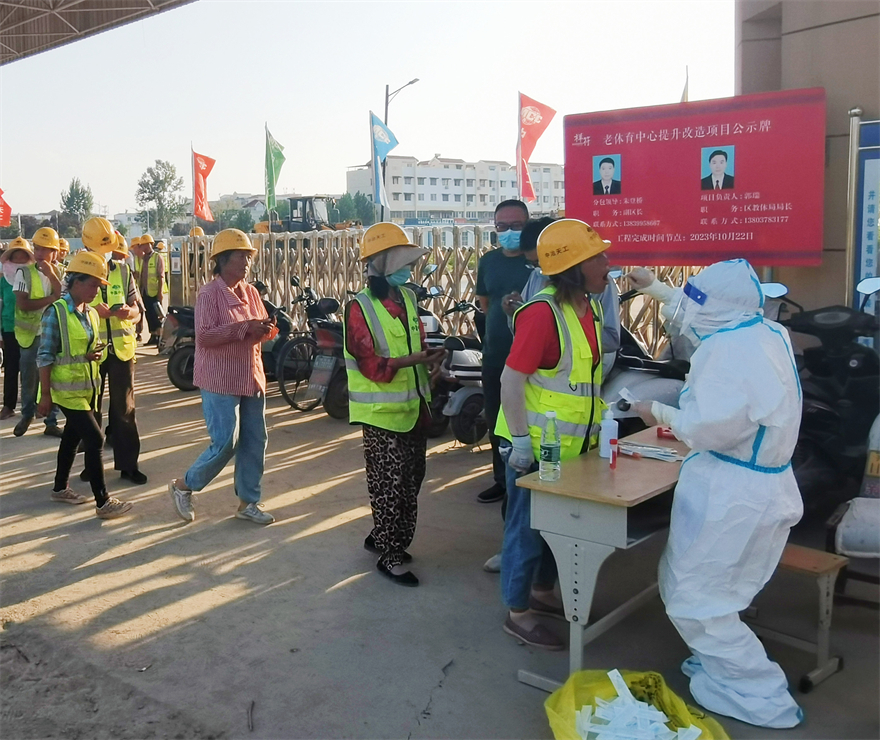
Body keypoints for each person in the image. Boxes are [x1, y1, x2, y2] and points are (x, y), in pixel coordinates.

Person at [628, 259, 803, 728]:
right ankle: (722, 667)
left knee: (696, 597)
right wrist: (656, 289)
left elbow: (706, 428)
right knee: (719, 593)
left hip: (731, 493)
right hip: (764, 484)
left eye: (698, 298)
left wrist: (656, 411)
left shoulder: (725, 351)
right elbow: (705, 312)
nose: (690, 307)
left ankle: (759, 693)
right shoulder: (766, 332)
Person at [496, 219, 612, 649]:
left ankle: (542, 593)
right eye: (597, 256)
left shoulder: (590, 308)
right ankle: (517, 611)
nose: (607, 262)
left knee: (555, 530)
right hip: (534, 447)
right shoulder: (541, 313)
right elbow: (512, 380)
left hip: (570, 446)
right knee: (525, 530)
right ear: (573, 266)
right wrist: (522, 443)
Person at [345, 223, 445, 586]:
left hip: (415, 407)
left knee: (412, 479)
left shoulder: (407, 298)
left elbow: (412, 344)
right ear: (380, 263)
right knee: (391, 486)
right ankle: (390, 554)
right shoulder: (359, 307)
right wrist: (416, 360)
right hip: (382, 415)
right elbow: (370, 365)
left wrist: (432, 362)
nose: (408, 270)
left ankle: (384, 535)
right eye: (401, 262)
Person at [169, 228, 276, 525]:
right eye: (241, 256)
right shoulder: (209, 294)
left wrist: (266, 329)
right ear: (223, 259)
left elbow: (259, 327)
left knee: (255, 441)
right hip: (220, 379)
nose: (246, 262)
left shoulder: (251, 292)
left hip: (251, 377)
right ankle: (184, 485)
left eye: (248, 257)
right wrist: (244, 329)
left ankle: (248, 502)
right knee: (226, 441)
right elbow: (204, 336)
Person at [37, 250, 132, 519]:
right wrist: (45, 396)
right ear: (76, 282)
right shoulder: (55, 313)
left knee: (72, 437)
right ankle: (103, 502)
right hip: (65, 392)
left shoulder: (90, 314)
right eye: (92, 285)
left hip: (87, 389)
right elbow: (44, 357)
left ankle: (59, 488)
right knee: (95, 438)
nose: (95, 291)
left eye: (99, 286)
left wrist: (91, 355)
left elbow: (78, 350)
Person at [474, 199, 533, 504]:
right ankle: (502, 478)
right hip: (496, 353)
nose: (508, 232)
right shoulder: (488, 261)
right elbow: (485, 304)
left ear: (527, 224)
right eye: (501, 227)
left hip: (534, 359)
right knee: (497, 417)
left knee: (528, 418)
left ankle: (530, 479)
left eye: (515, 226)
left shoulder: (538, 261)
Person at [80, 229, 147, 485]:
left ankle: (129, 465)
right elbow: (69, 307)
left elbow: (137, 311)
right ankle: (92, 465)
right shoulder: (78, 272)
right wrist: (95, 312)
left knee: (124, 409)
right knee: (90, 410)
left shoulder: (122, 270)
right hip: (92, 352)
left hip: (121, 350)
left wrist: (127, 312)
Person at [13, 226, 62, 438]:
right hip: (30, 335)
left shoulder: (60, 273)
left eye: (45, 249)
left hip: (51, 334)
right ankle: (27, 414)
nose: (40, 253)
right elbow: (23, 304)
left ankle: (51, 421)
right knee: (29, 377)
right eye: (37, 248)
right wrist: (51, 299)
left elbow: (65, 297)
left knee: (52, 379)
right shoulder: (23, 272)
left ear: (55, 252)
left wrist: (52, 277)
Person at [1, 237, 34, 420]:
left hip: (31, 329)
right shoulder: (3, 280)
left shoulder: (34, 276)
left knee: (31, 369)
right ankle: (8, 405)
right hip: (9, 328)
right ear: (10, 258)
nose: (20, 259)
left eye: (23, 256)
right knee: (11, 368)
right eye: (16, 256)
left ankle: (31, 405)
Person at [139, 233, 165, 346]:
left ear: (151, 244)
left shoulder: (157, 257)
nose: (143, 247)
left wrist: (160, 292)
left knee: (156, 315)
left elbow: (161, 276)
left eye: (145, 244)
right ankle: (153, 335)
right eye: (142, 245)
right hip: (145, 291)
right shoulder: (143, 259)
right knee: (148, 314)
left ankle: (159, 336)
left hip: (154, 291)